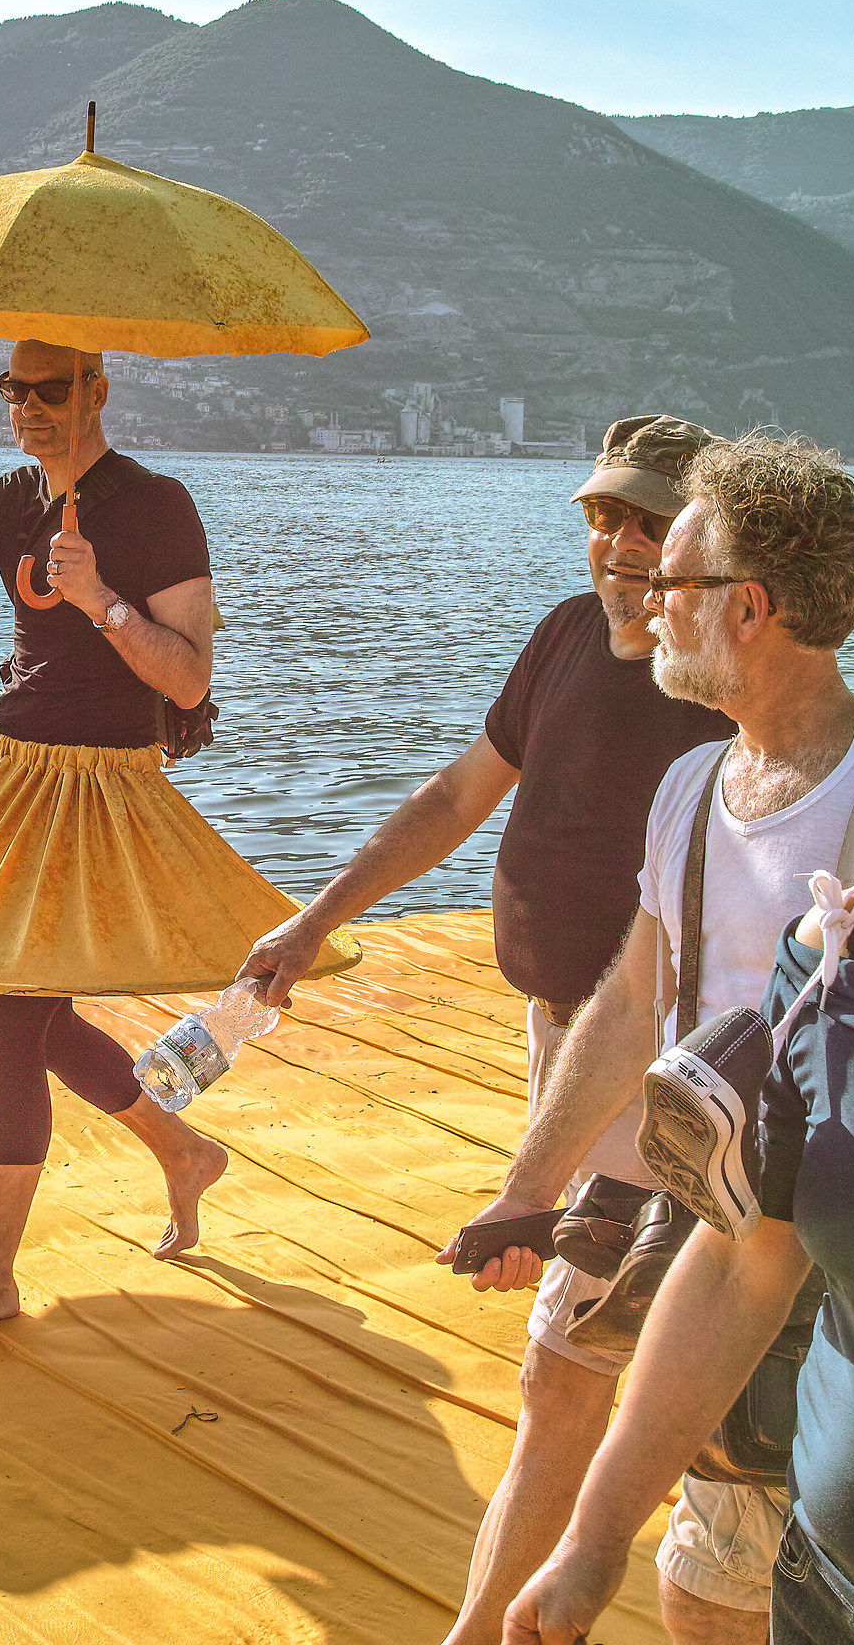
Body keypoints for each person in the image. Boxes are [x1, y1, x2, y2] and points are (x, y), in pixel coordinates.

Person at [240, 415, 733, 1645]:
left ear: (704, 547)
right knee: (592, 1373)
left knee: (571, 1375)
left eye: (649, 522)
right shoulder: (567, 638)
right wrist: (314, 919)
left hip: (662, 1067)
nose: (618, 544)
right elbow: (455, 795)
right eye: (603, 517)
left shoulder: (718, 688)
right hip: (557, 1042)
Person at [0, 344, 348, 1340]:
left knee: (9, 1022)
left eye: (49, 390)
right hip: (10, 776)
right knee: (32, 1020)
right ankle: (179, 1151)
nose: (27, 409)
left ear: (97, 390)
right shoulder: (12, 499)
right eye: (13, 391)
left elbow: (187, 682)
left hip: (103, 790)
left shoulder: (154, 505)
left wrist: (102, 603)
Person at [459, 433, 854, 1641]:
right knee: (573, 1409)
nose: (641, 598)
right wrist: (529, 1186)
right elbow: (635, 1001)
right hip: (696, 1221)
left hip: (812, 1275)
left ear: (748, 608)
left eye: (672, 581)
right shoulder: (694, 785)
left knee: (712, 1591)